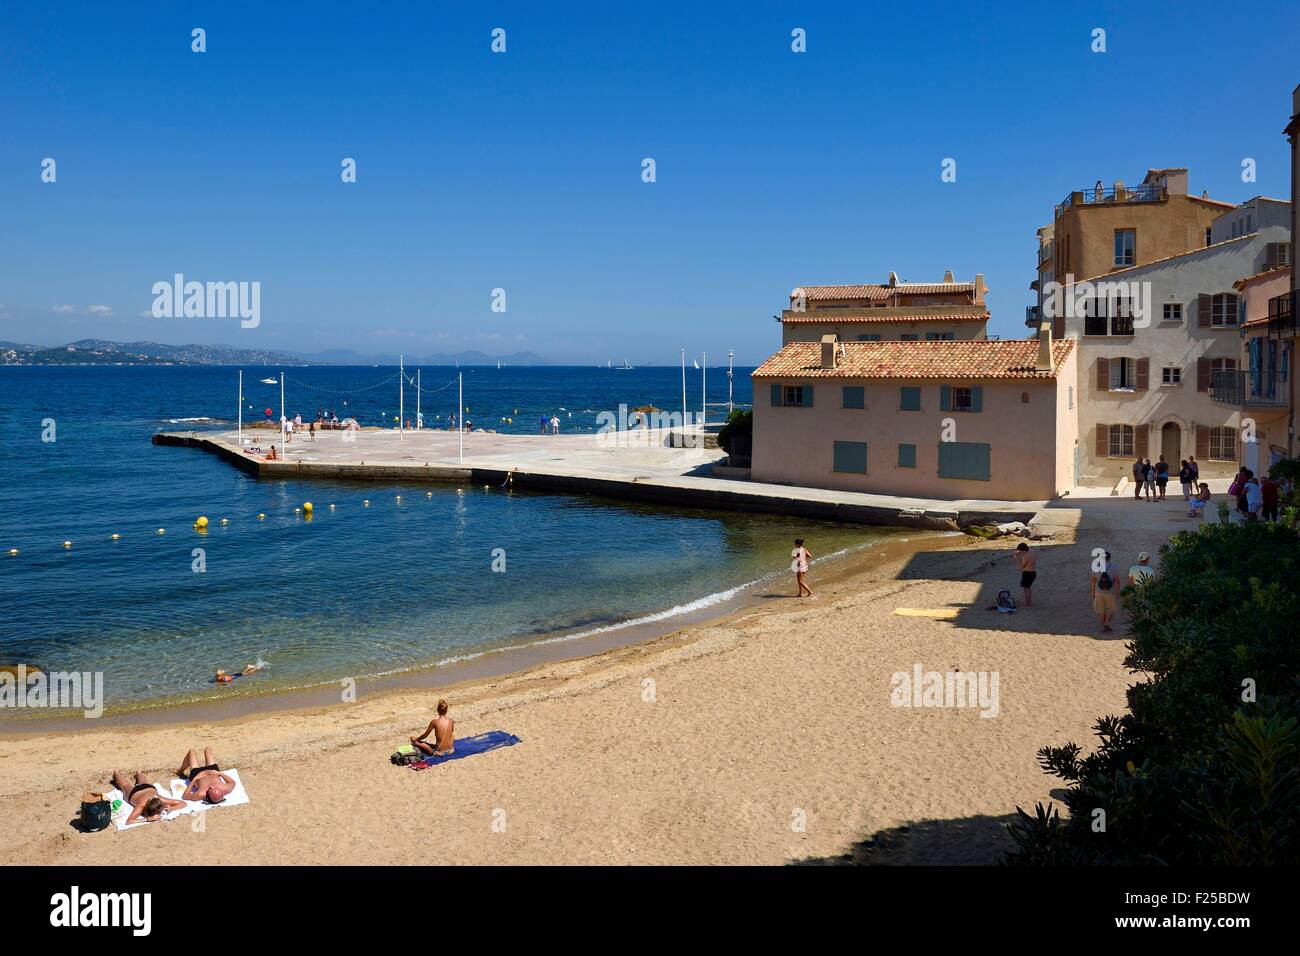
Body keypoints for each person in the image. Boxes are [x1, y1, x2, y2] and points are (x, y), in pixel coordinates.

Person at [111, 770, 187, 826]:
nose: (161, 812)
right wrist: (148, 819)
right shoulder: (141, 806)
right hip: (135, 793)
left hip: (147, 788)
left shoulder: (160, 799)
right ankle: (119, 774)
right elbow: (129, 821)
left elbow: (183, 803)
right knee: (125, 786)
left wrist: (171, 809)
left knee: (137, 783)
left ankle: (136, 773)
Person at [1091, 550, 1118, 633]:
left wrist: (1093, 592)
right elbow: (1117, 580)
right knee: (1112, 609)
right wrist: (1117, 591)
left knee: (1100, 609)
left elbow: (1093, 581)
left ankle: (1104, 626)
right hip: (1111, 591)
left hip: (1099, 591)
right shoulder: (1114, 566)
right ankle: (1106, 623)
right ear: (1109, 558)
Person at [1014, 542, 1036, 607]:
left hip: (1027, 573)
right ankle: (1028, 602)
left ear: (1023, 550)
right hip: (1033, 573)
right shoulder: (1032, 552)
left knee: (1026, 589)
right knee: (1028, 588)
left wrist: (1017, 559)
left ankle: (1027, 603)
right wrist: (1019, 553)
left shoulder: (1026, 556)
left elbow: (1021, 567)